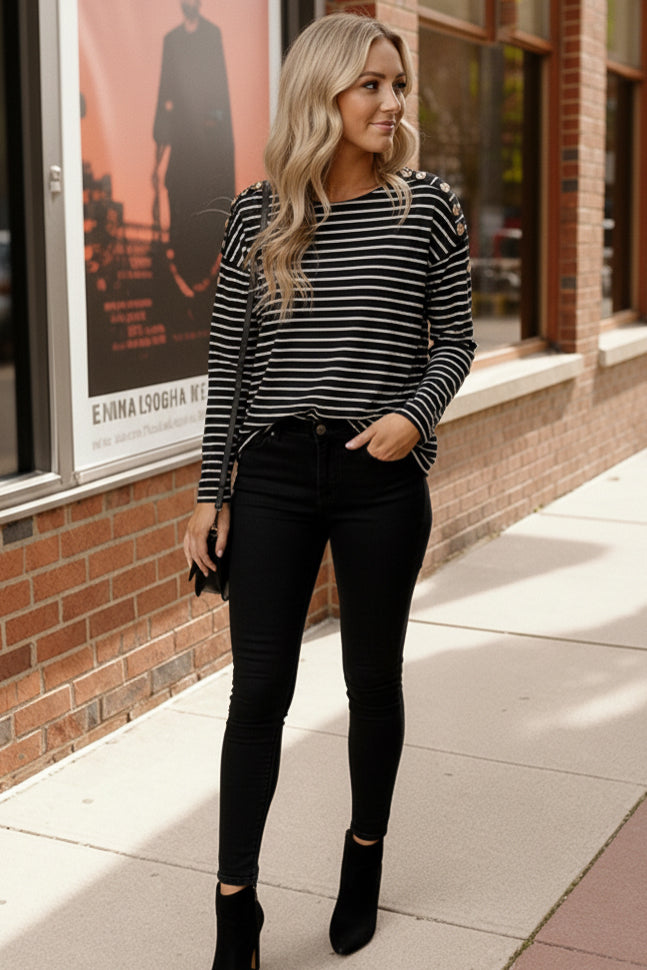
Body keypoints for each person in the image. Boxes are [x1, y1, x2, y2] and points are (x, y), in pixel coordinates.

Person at [183, 13, 475, 969]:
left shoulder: (423, 207)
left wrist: (413, 417)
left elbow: (458, 340)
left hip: (377, 477)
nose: (393, 104)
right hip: (270, 473)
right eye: (373, 87)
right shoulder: (252, 214)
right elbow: (230, 363)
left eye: (398, 86)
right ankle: (237, 908)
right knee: (257, 690)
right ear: (324, 95)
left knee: (370, 680)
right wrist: (207, 493)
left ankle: (362, 861)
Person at [153, 0, 234, 295]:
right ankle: (184, 275)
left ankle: (202, 273)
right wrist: (158, 158)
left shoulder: (212, 36)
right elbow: (164, 94)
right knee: (180, 204)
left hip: (208, 151)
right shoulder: (171, 40)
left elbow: (220, 96)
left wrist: (212, 133)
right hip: (182, 146)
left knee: (205, 206)